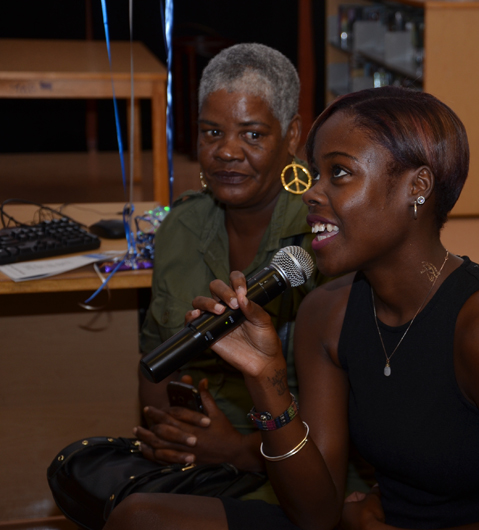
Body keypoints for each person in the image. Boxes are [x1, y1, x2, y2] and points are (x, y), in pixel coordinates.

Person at [105, 86, 479, 529]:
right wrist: (267, 380)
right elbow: (316, 514)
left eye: (340, 173)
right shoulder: (326, 311)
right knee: (138, 517)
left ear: (417, 186)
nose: (311, 193)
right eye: (314, 174)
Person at [135, 43, 326, 481]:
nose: (226, 151)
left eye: (252, 135)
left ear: (292, 135)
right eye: (212, 132)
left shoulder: (323, 236)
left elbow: (353, 409)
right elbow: (154, 360)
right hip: (194, 455)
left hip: (296, 463)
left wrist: (236, 452)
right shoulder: (180, 227)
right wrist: (173, 440)